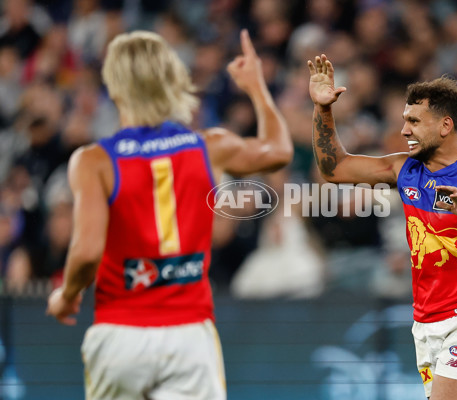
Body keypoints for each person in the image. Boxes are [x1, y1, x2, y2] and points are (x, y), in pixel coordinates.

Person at [46, 29, 292, 400]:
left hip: (120, 334)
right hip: (189, 335)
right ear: (172, 81)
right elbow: (278, 151)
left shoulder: (94, 161)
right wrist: (256, 87)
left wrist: (66, 295)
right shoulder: (209, 146)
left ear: (113, 89)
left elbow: (85, 253)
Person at [307, 54, 457, 400]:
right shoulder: (404, 170)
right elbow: (335, 168)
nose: (404, 130)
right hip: (425, 323)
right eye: (405, 120)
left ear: (445, 125)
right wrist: (323, 109)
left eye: (414, 121)